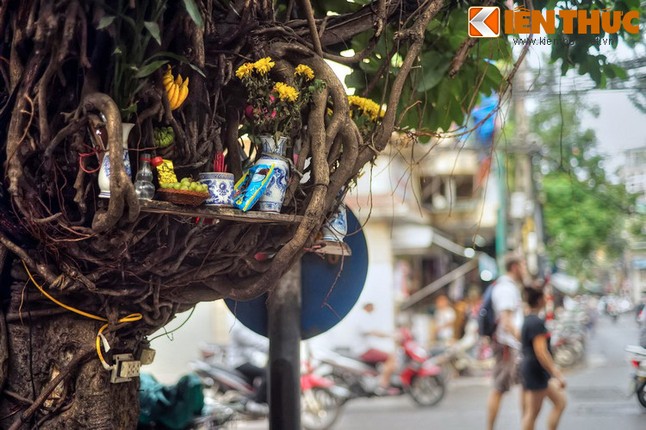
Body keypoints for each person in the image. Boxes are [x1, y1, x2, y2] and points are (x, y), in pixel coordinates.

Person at [486, 254, 526, 430]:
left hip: (511, 346)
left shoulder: (509, 287)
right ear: (515, 267)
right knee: (499, 387)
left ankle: (527, 425)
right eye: (523, 265)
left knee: (526, 386)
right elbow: (506, 322)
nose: (525, 270)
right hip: (507, 346)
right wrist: (524, 341)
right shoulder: (506, 288)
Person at [520, 286, 567, 430]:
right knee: (532, 413)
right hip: (536, 370)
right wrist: (556, 373)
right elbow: (541, 351)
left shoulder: (529, 319)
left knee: (560, 403)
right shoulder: (536, 322)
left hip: (533, 370)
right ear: (540, 300)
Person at [353, 302, 398, 395]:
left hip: (364, 349)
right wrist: (390, 335)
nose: (374, 309)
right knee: (391, 356)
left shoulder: (361, 317)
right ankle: (383, 385)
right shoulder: (362, 317)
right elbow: (373, 332)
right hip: (364, 350)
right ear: (368, 306)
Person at [226, 323, 270, 415]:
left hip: (248, 361)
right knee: (266, 372)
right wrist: (273, 346)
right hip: (238, 363)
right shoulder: (238, 327)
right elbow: (253, 341)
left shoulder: (247, 325)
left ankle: (253, 399)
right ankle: (256, 402)